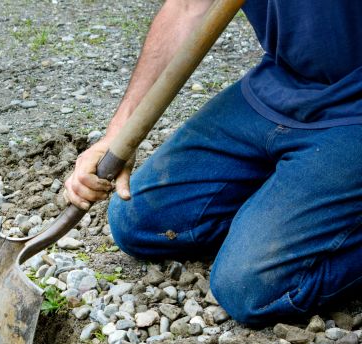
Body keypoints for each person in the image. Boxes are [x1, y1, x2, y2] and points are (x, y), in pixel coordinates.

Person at [64, 0, 362, 326]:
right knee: (136, 219)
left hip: (355, 110)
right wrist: (118, 135)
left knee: (249, 289)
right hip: (282, 83)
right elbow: (187, 8)